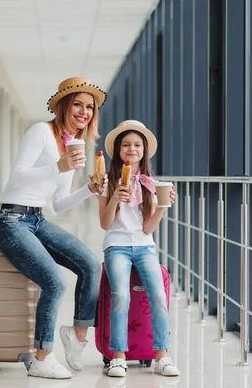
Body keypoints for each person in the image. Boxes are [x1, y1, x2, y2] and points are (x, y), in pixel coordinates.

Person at [0, 77, 108, 379]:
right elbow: (17, 177)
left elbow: (57, 204)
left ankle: (77, 336)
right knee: (55, 282)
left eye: (89, 107)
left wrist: (89, 190)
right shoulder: (41, 132)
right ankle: (42, 357)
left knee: (91, 264)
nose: (84, 111)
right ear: (64, 106)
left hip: (37, 220)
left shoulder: (72, 145)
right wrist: (60, 165)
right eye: (78, 104)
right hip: (10, 220)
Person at [98, 120, 180, 378]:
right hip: (117, 246)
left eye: (136, 145)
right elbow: (105, 223)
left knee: (159, 295)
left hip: (144, 247)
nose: (131, 149)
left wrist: (164, 206)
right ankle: (118, 357)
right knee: (120, 295)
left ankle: (162, 356)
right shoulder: (105, 181)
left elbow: (147, 229)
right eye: (126, 145)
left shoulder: (150, 184)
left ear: (143, 151)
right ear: (118, 150)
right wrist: (114, 197)